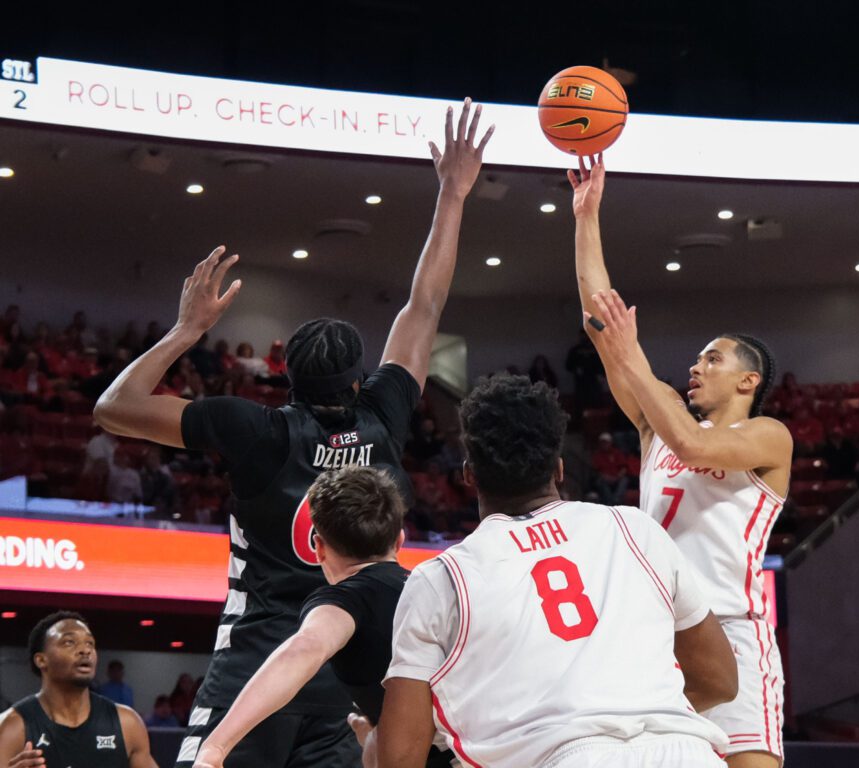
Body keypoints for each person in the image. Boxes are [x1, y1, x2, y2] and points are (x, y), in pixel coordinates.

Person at [92, 97, 494, 768]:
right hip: (349, 666)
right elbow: (424, 304)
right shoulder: (385, 414)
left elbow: (113, 406)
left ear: (285, 380)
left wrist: (188, 330)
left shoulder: (256, 429)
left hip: (259, 662)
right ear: (361, 382)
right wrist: (452, 195)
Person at [371, 374, 736, 767]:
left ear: (469, 475)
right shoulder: (635, 529)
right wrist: (630, 714)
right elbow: (719, 680)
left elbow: (400, 759)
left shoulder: (439, 579)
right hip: (685, 754)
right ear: (560, 469)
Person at [571, 155, 791, 768]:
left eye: (712, 359)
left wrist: (633, 360)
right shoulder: (658, 422)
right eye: (696, 358)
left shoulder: (769, 436)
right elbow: (602, 325)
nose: (696, 366)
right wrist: (586, 217)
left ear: (750, 378)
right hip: (657, 637)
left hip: (735, 632)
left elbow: (695, 448)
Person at [192, 465, 454, 768]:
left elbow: (304, 648)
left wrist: (215, 747)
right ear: (399, 540)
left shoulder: (348, 598)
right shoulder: (436, 590)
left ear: (317, 547)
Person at [0, 611, 157, 767]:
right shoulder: (12, 727)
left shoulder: (127, 723)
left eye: (90, 643)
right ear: (41, 660)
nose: (85, 650)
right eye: (69, 642)